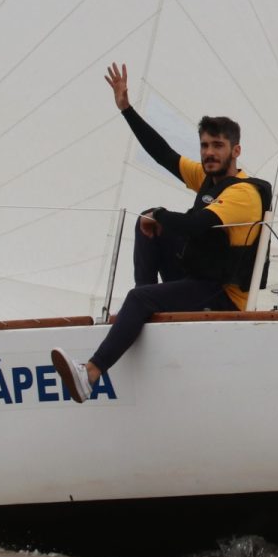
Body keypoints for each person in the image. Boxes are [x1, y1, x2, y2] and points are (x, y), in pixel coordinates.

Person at [50, 64, 266, 403]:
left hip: (221, 294)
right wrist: (126, 109)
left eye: (218, 146)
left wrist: (160, 215)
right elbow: (163, 154)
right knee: (146, 222)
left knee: (140, 291)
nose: (209, 153)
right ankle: (143, 312)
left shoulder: (244, 193)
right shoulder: (208, 178)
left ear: (235, 151)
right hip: (200, 278)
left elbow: (197, 224)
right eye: (205, 145)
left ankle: (89, 375)